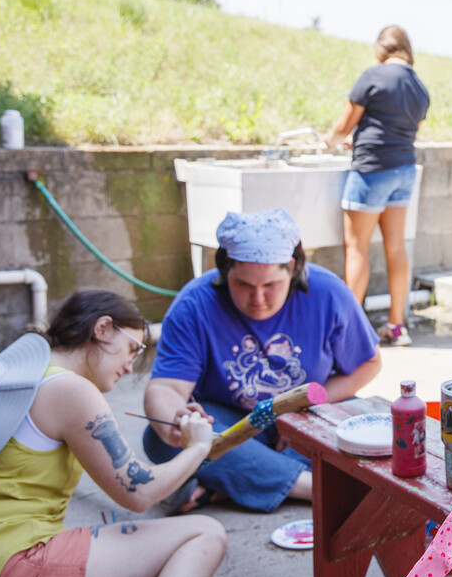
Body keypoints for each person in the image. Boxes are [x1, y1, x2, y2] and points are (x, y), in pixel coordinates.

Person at [143, 208, 381, 514]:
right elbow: (165, 387)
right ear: (224, 270)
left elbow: (369, 363)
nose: (258, 299)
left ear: (292, 268)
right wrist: (176, 420)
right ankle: (312, 488)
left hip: (308, 412)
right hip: (231, 422)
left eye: (270, 285)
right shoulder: (194, 304)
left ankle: (232, 483)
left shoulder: (328, 292)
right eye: (243, 285)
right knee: (159, 439)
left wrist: (300, 408)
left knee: (365, 430)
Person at [0, 291, 225, 577]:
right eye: (132, 348)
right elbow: (139, 492)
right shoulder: (71, 390)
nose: (129, 366)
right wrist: (198, 447)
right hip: (19, 557)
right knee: (204, 535)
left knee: (191, 573)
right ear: (103, 329)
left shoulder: (32, 372)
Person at [324, 25, 430, 346]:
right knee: (396, 246)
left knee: (357, 248)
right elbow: (405, 129)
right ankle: (397, 327)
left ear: (381, 49)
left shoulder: (373, 76)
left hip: (372, 170)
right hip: (404, 170)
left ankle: (349, 333)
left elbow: (343, 126)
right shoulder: (420, 88)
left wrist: (330, 141)